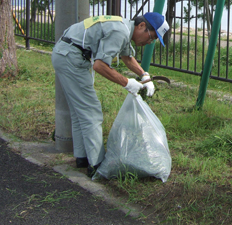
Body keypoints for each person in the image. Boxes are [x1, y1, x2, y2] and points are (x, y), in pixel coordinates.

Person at [51, 12, 169, 176]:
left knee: (81, 111)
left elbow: (127, 57)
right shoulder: (120, 32)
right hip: (71, 58)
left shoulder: (123, 28)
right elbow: (100, 66)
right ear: (141, 26)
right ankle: (97, 165)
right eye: (151, 37)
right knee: (92, 113)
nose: (150, 42)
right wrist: (127, 83)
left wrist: (145, 76)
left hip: (68, 54)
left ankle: (82, 157)